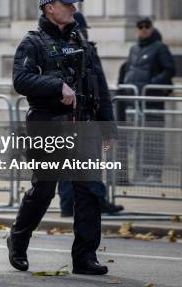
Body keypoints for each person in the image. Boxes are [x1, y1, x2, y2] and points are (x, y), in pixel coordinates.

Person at [7, 0, 117, 275]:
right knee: (44, 190)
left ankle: (85, 257)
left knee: (90, 192)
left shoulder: (82, 42)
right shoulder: (32, 43)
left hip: (84, 126)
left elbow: (101, 88)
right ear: (49, 8)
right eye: (67, 5)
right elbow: (21, 80)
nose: (74, 9)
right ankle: (17, 239)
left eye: (74, 4)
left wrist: (108, 127)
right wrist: (56, 86)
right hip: (48, 125)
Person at [58, 12, 123, 217]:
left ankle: (79, 203)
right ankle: (79, 203)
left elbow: (101, 91)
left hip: (84, 116)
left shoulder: (88, 51)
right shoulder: (52, 49)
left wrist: (108, 127)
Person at [123, 17, 175, 181]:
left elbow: (169, 70)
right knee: (136, 139)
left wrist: (151, 85)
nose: (144, 29)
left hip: (152, 101)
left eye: (147, 26)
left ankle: (154, 174)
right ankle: (139, 173)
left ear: (152, 28)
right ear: (136, 29)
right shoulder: (133, 49)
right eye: (140, 26)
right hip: (135, 101)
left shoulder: (160, 48)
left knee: (153, 137)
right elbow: (128, 69)